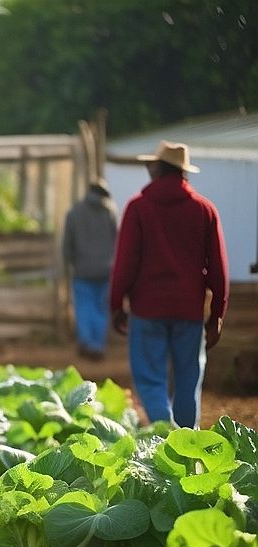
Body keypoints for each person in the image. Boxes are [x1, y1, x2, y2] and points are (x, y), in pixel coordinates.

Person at [110, 140, 229, 428]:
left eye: (152, 164)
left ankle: (165, 433)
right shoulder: (204, 210)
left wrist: (116, 305)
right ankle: (186, 444)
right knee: (188, 382)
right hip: (188, 312)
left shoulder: (138, 208)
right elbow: (218, 267)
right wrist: (217, 314)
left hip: (147, 310)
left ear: (157, 168)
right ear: (182, 173)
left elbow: (125, 262)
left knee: (150, 379)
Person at [63, 180, 119, 361]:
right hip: (105, 270)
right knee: (101, 309)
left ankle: (87, 342)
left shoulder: (74, 213)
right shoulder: (110, 212)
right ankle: (98, 345)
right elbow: (117, 240)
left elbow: (67, 244)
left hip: (82, 270)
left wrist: (69, 262)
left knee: (84, 307)